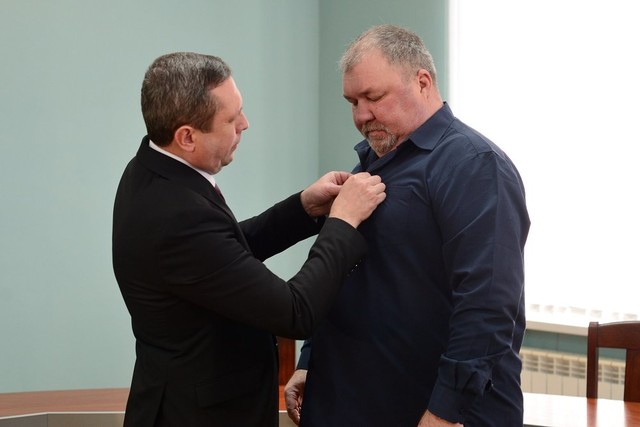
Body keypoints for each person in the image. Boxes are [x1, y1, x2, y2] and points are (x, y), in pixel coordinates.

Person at [112, 52, 386, 427]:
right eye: (231, 118)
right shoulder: (177, 215)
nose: (245, 124)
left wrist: (303, 208)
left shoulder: (150, 167)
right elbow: (295, 313)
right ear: (187, 137)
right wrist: (343, 221)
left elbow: (222, 252)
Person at [284, 25, 530, 427]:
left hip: (431, 411)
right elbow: (345, 276)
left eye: (374, 97)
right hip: (350, 400)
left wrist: (445, 411)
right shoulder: (370, 164)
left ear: (422, 82)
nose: (361, 115)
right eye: (353, 101)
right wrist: (311, 359)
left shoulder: (474, 165)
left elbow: (487, 305)